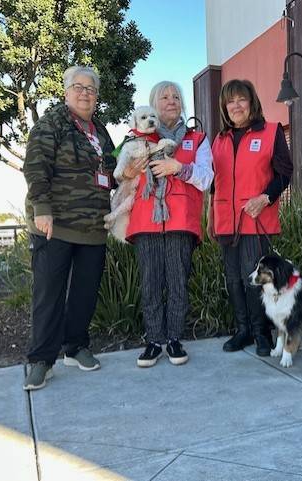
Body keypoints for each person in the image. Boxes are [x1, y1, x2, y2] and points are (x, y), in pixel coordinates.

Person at [22, 66, 117, 390]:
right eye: (78, 87)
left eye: (91, 89)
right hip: (55, 226)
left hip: (93, 227)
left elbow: (112, 172)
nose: (85, 93)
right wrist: (42, 210)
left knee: (84, 293)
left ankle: (75, 347)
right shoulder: (52, 123)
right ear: (66, 91)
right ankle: (41, 360)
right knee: (48, 294)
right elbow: (35, 166)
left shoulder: (101, 132)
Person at [121, 81, 213, 368]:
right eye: (164, 97)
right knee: (149, 283)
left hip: (181, 221)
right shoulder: (136, 137)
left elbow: (207, 178)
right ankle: (153, 341)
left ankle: (174, 339)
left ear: (182, 104)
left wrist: (179, 168)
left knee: (177, 282)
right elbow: (120, 174)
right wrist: (128, 170)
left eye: (176, 96)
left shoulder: (198, 139)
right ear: (153, 104)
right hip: (146, 221)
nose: (171, 101)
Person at [208, 79, 293, 356]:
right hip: (225, 220)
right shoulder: (219, 140)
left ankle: (261, 332)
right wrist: (210, 215)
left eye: (241, 99)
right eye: (230, 101)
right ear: (224, 107)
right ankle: (242, 330)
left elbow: (285, 172)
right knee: (233, 278)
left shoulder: (270, 132)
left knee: (255, 278)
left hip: (256, 220)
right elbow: (213, 182)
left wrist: (266, 197)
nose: (235, 106)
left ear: (251, 103)